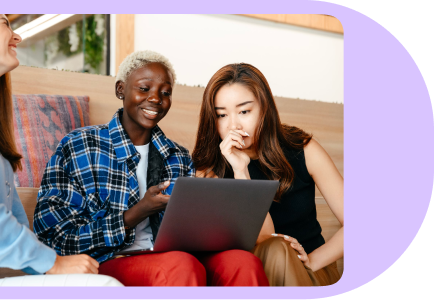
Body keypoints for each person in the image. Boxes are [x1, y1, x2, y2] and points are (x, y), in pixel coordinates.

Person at [33, 50, 269, 286]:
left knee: (243, 262)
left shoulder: (178, 156)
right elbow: (54, 237)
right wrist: (135, 214)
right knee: (180, 265)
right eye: (144, 89)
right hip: (109, 259)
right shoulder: (79, 146)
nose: (155, 98)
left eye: (165, 93)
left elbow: (191, 234)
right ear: (120, 89)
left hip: (173, 257)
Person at [0, 14, 122, 286]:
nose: (17, 36)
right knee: (105, 287)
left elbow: (13, 224)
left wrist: (48, 264)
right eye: (4, 22)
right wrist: (53, 263)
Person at [192, 63, 343, 286]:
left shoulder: (302, 149)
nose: (233, 124)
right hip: (254, 274)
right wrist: (241, 171)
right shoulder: (209, 169)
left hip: (311, 271)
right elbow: (264, 237)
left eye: (244, 111)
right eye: (222, 115)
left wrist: (313, 260)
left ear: (265, 108)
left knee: (277, 251)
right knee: (273, 249)